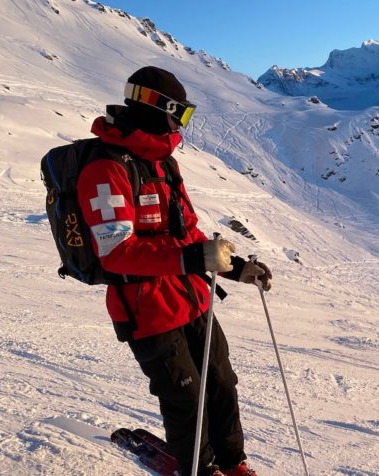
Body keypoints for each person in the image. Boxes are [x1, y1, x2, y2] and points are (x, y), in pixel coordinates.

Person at [76, 66, 270, 476]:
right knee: (186, 399)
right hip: (148, 311)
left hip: (192, 298)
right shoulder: (106, 169)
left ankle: (234, 466)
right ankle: (201, 471)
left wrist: (237, 269)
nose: (180, 125)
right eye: (177, 114)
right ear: (152, 109)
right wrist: (194, 260)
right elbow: (116, 252)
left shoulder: (164, 164)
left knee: (221, 385)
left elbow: (189, 233)